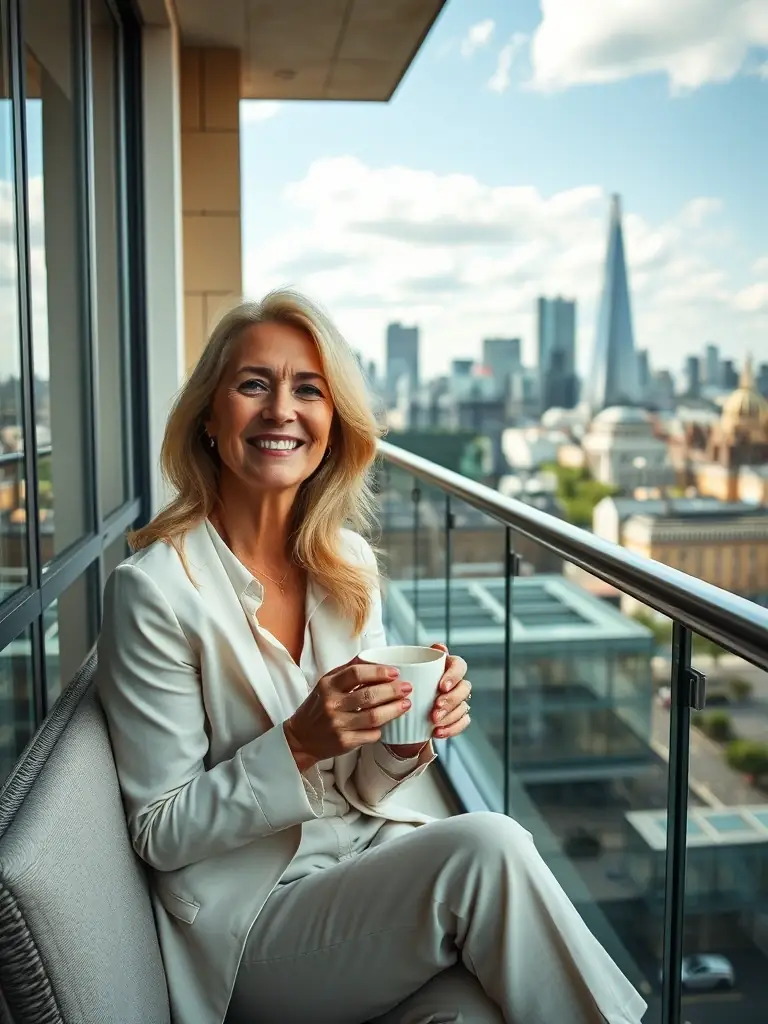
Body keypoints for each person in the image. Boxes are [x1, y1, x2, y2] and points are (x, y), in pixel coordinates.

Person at [97, 290, 647, 1024]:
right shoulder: (156, 593)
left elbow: (363, 783)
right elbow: (160, 832)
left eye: (309, 389)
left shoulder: (346, 562)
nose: (281, 410)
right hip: (252, 933)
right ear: (208, 414)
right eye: (253, 384)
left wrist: (408, 731)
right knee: (487, 847)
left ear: (333, 424)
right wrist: (296, 743)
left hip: (365, 884)